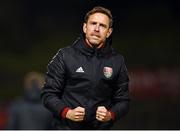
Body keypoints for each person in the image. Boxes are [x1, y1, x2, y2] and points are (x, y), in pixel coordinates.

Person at [41, 6, 130, 129]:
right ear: (85, 27)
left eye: (102, 26)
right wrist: (67, 112)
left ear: (109, 32)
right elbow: (48, 95)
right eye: (93, 23)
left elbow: (123, 101)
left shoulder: (117, 61)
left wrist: (110, 115)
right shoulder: (65, 56)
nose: (97, 29)